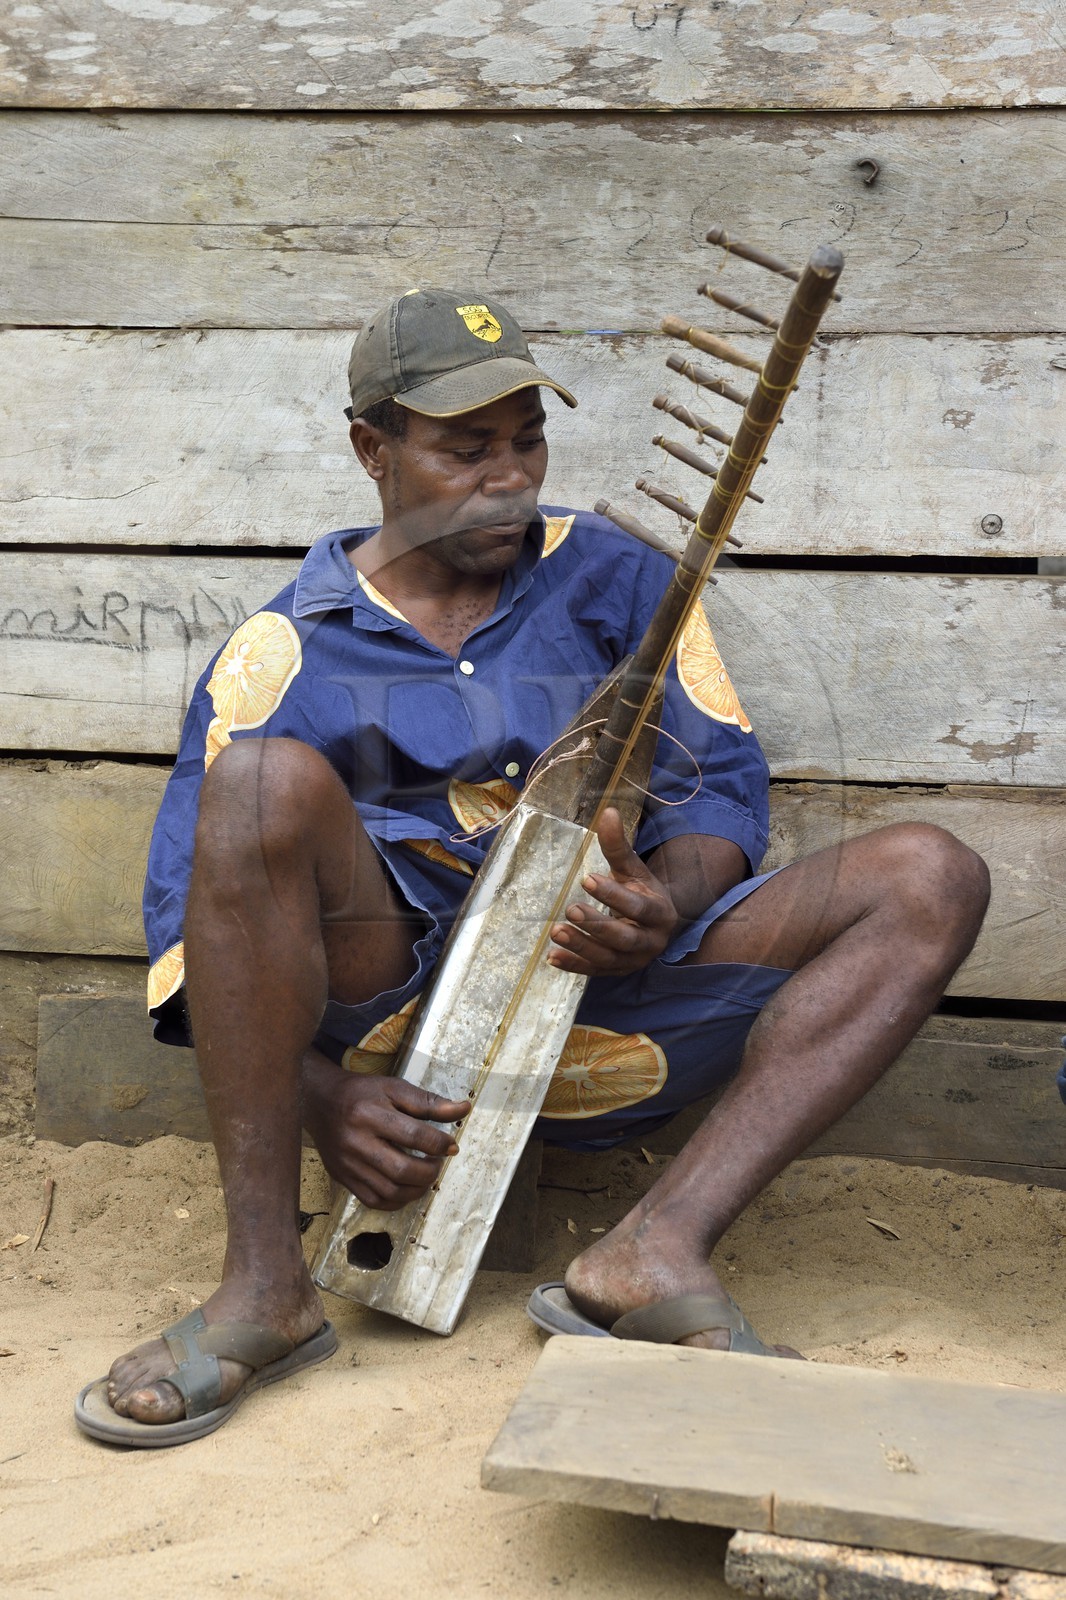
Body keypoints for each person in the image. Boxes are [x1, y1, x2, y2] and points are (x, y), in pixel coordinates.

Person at [75, 288, 990, 1446]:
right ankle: (263, 1285)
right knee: (259, 782)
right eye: (465, 450)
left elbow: (718, 791)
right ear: (373, 450)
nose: (507, 477)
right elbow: (187, 943)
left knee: (930, 875)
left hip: (613, 1005)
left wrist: (665, 900)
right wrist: (325, 1099)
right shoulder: (285, 648)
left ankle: (653, 1246)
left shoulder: (618, 579)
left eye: (526, 440)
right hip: (406, 1060)